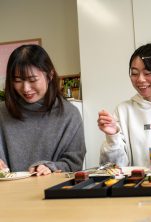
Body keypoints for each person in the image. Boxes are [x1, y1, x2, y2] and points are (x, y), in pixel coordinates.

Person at [0, 44, 86, 176]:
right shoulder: (2, 112)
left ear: (50, 75)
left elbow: (74, 163)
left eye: (32, 80)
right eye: (18, 80)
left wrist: (50, 167)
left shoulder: (69, 114)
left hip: (52, 192)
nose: (26, 88)